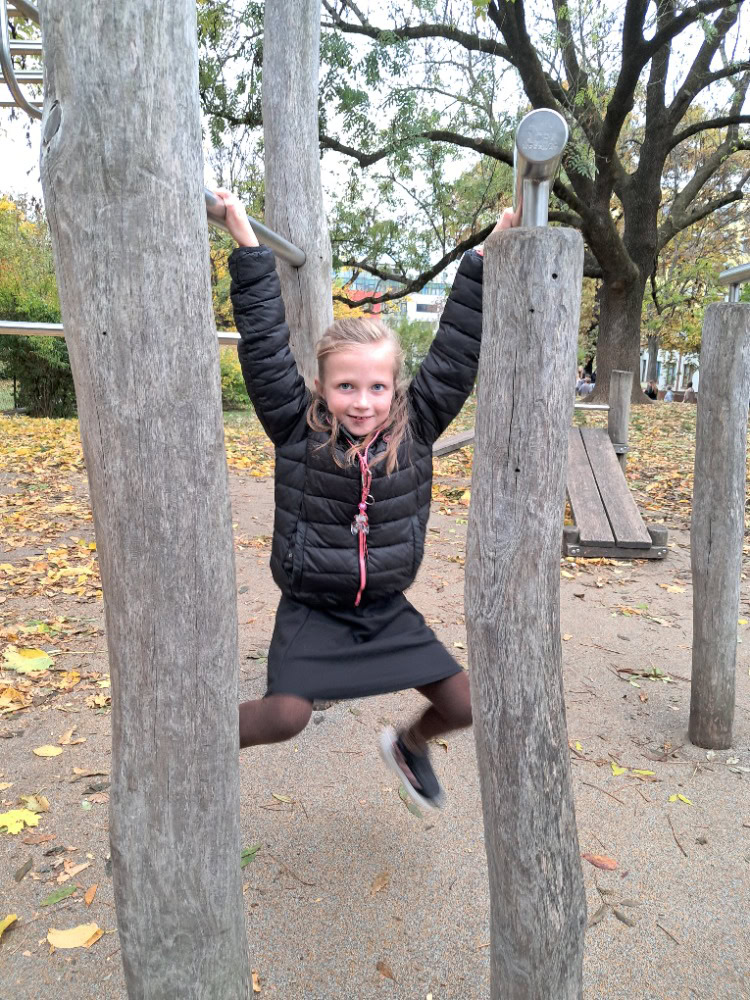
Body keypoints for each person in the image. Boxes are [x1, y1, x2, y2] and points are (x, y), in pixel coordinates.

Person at [215, 188, 518, 811]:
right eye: (346, 386)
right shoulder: (296, 428)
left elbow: (456, 352)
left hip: (382, 609)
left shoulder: (418, 425)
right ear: (321, 386)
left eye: (377, 386)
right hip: (312, 608)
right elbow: (265, 348)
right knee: (286, 717)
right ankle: (194, 739)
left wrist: (482, 262)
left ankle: (410, 745)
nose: (362, 401)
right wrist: (247, 244)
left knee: (467, 702)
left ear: (395, 386)